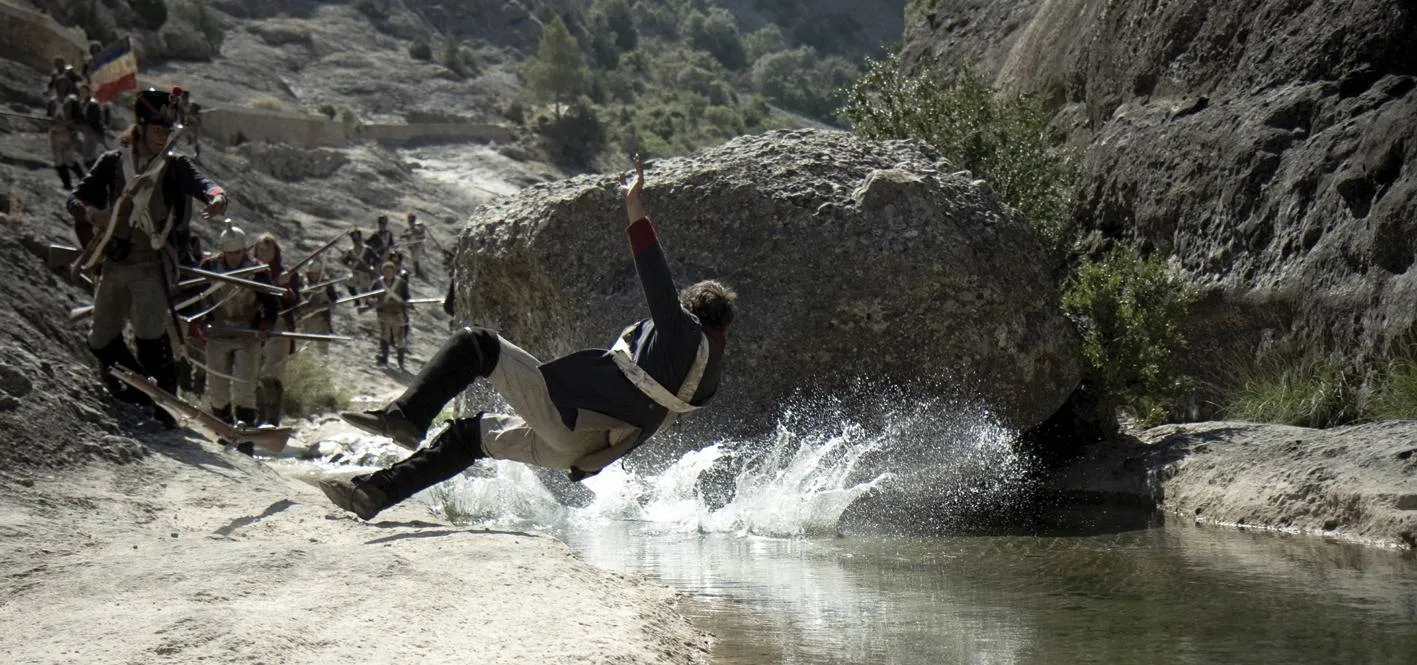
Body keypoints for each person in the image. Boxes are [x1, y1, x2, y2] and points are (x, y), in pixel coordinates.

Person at [320, 157, 737, 520]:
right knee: (468, 438)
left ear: (692, 309)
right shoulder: (709, 372)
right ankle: (375, 492)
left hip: (570, 418)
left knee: (477, 344)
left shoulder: (682, 330)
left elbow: (653, 269)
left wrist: (633, 204)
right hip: (580, 453)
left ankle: (407, 417)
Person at [68, 87, 229, 427]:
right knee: (100, 339)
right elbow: (77, 198)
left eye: (167, 131)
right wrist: (92, 214)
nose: (163, 136)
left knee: (150, 335)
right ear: (140, 127)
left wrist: (216, 198)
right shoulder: (113, 163)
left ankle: (165, 407)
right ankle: (137, 392)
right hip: (113, 262)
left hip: (151, 264)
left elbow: (205, 185)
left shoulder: (174, 166)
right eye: (158, 130)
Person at [198, 221, 278, 436]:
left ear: (245, 249)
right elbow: (197, 297)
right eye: (229, 252)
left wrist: (265, 325)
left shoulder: (257, 270)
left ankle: (246, 438)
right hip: (218, 332)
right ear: (223, 251)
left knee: (244, 388)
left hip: (247, 334)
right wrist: (200, 322)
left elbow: (270, 303)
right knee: (217, 390)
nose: (233, 256)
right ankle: (224, 434)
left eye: (238, 252)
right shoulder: (209, 267)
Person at [252, 233, 302, 426]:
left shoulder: (287, 273)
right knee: (253, 371)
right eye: (260, 250)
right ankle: (258, 415)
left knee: (272, 371)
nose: (263, 254)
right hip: (253, 324)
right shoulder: (249, 271)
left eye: (267, 250)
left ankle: (272, 419)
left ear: (275, 251)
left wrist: (284, 286)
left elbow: (295, 301)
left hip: (279, 325)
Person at [373, 261, 410, 369]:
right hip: (383, 313)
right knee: (385, 336)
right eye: (385, 271)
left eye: (390, 271)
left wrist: (407, 302)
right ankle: (384, 359)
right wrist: (371, 301)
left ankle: (401, 362)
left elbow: (406, 297)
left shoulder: (401, 283)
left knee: (400, 339)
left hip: (398, 314)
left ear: (394, 272)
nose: (388, 273)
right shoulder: (378, 283)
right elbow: (371, 296)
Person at [47, 91, 84, 191]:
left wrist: (71, 124)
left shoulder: (72, 102)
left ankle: (84, 180)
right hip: (55, 133)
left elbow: (79, 118)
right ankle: (66, 184)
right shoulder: (52, 101)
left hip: (68, 133)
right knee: (59, 161)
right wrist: (51, 120)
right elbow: (48, 116)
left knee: (69, 160)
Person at [299, 262, 339, 354]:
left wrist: (323, 305)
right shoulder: (303, 283)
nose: (313, 276)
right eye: (311, 273)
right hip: (307, 319)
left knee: (323, 349)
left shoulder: (326, 284)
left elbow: (334, 301)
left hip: (322, 319)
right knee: (304, 347)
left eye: (315, 273)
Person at [76, 83, 107, 170]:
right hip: (88, 131)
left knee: (89, 155)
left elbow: (92, 119)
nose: (82, 94)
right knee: (86, 155)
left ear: (88, 92)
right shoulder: (83, 103)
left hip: (94, 131)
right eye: (81, 92)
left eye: (84, 92)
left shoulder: (93, 104)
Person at [340, 229, 377, 298]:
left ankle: (367, 302)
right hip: (355, 273)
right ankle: (356, 300)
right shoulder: (350, 251)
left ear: (361, 239)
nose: (357, 242)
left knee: (365, 291)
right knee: (348, 283)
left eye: (358, 240)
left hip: (366, 273)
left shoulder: (368, 249)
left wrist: (372, 266)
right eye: (355, 240)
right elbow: (344, 261)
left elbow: (376, 259)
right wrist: (350, 265)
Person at [400, 213, 427, 279]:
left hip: (417, 246)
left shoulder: (416, 228)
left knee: (415, 259)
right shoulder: (408, 229)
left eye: (411, 221)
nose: (410, 222)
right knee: (414, 259)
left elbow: (420, 235)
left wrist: (412, 233)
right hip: (412, 246)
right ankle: (418, 273)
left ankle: (417, 273)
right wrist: (405, 235)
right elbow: (407, 236)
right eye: (409, 221)